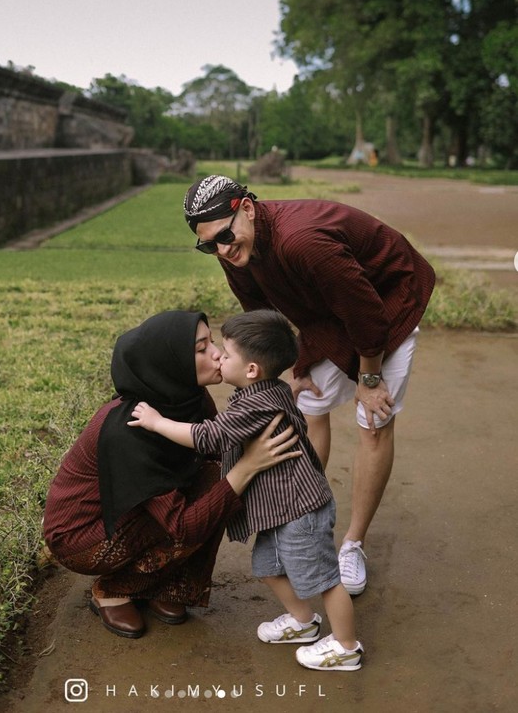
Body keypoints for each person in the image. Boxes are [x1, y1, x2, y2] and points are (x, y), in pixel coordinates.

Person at [183, 175, 436, 596]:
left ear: (246, 207)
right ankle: (303, 521)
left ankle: (352, 544)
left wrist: (369, 379)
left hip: (387, 299)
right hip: (327, 310)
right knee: (309, 405)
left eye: (225, 236)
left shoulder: (302, 241)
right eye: (210, 245)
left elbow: (364, 311)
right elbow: (263, 319)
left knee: (373, 420)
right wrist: (294, 363)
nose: (223, 250)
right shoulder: (236, 252)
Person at [43, 310, 300, 640]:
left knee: (218, 482)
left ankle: (171, 588)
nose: (217, 353)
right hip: (82, 537)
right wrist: (248, 466)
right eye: (201, 348)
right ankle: (115, 588)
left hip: (131, 513)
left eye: (213, 343)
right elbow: (184, 526)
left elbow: (216, 453)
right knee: (223, 489)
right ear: (171, 360)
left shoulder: (189, 399)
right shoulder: (131, 428)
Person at [130, 309, 364, 671]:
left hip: (300, 511)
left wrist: (157, 422)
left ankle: (347, 646)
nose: (218, 357)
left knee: (325, 579)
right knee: (269, 567)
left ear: (252, 369)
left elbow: (208, 437)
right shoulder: (265, 389)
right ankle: (304, 622)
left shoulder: (256, 403)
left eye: (225, 352)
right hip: (279, 510)